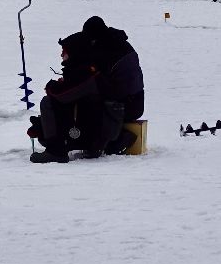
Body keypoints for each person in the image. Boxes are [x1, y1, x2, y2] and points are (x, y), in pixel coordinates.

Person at [32, 16, 145, 163]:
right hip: (132, 101)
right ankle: (113, 140)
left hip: (122, 105)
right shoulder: (119, 44)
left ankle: (57, 150)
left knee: (62, 101)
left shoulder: (105, 51)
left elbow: (79, 86)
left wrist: (58, 85)